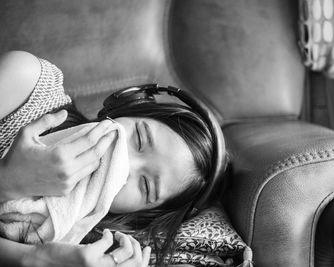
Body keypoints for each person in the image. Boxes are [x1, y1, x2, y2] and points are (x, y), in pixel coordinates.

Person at [0, 51, 220, 267]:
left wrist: (33, 258)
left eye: (145, 185)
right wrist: (9, 181)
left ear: (140, 214)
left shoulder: (85, 254)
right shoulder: (28, 86)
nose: (125, 166)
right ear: (126, 109)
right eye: (140, 139)